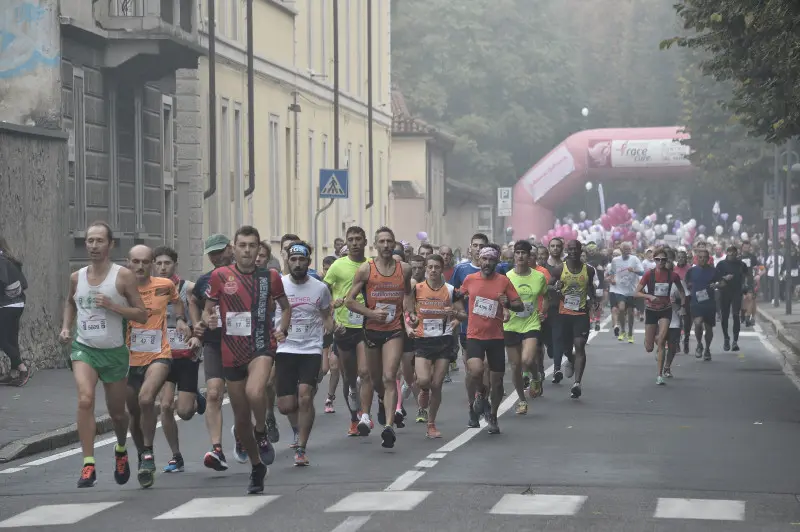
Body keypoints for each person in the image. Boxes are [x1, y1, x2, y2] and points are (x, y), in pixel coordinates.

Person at [59, 222, 148, 488]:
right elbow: (70, 301)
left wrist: (112, 306)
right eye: (90, 241)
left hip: (114, 352)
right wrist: (65, 327)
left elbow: (142, 314)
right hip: (84, 348)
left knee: (118, 413)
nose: (94, 246)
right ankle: (88, 464)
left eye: (99, 241)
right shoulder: (77, 277)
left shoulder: (123, 277)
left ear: (110, 245)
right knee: (85, 399)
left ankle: (121, 449)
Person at [204, 225, 287, 494]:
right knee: (240, 421)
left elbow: (286, 307)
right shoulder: (219, 276)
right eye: (243, 245)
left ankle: (261, 431)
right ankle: (256, 466)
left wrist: (282, 328)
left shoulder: (270, 277)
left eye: (252, 246)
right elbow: (207, 311)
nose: (248, 250)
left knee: (255, 391)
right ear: (234, 248)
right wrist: (209, 319)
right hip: (231, 349)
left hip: (261, 345)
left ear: (258, 249)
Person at [125, 245, 191, 488]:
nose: (140, 266)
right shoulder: (120, 288)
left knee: (146, 399)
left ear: (151, 263)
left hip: (159, 354)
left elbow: (177, 302)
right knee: (133, 412)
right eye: (135, 262)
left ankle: (149, 452)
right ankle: (142, 454)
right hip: (127, 359)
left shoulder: (165, 285)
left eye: (145, 261)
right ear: (128, 263)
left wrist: (181, 320)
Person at [345, 227, 413, 448]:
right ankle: (380, 402)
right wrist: (371, 313)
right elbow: (349, 300)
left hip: (394, 330)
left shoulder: (404, 269)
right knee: (375, 381)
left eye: (389, 241)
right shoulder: (366, 269)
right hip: (372, 329)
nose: (385, 245)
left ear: (394, 244)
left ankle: (389, 426)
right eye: (382, 241)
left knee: (389, 375)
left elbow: (407, 294)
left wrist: (410, 314)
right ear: (375, 244)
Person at [274, 242, 336, 466]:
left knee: (306, 395)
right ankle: (295, 427)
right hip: (285, 349)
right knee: (286, 406)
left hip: (310, 348)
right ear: (287, 262)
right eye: (293, 260)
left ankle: (301, 447)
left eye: (302, 260)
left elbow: (326, 315)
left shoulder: (319, 288)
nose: (298, 264)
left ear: (309, 262)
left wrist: (332, 327)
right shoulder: (278, 286)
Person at [459, 244, 524, 433]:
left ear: (496, 262)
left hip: (496, 337)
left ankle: (492, 415)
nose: (487, 263)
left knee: (497, 383)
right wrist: (457, 312)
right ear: (479, 260)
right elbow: (457, 295)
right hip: (474, 335)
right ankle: (479, 395)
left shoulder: (503, 281)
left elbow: (520, 305)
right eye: (484, 259)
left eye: (491, 260)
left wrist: (509, 304)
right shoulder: (470, 279)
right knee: (476, 370)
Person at [153, 246, 205, 474]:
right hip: (162, 356)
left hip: (186, 355)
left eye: (167, 263)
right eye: (159, 263)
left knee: (184, 412)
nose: (163, 267)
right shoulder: (149, 290)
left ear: (175, 264)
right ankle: (176, 456)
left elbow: (204, 317)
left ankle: (195, 397)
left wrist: (197, 337)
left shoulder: (188, 288)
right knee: (164, 406)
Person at [406, 254, 465, 438]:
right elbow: (407, 311)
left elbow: (463, 315)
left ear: (441, 269)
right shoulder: (417, 289)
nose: (433, 270)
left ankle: (431, 424)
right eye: (429, 267)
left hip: (443, 340)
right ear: (425, 269)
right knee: (424, 381)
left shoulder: (450, 290)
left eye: (436, 267)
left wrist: (454, 312)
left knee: (437, 384)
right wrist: (409, 324)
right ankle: (423, 390)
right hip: (422, 339)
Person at [190, 234, 234, 471]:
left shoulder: (248, 275)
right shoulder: (205, 280)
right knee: (215, 393)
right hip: (214, 343)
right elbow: (193, 300)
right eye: (212, 253)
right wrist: (198, 326)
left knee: (242, 396)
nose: (216, 257)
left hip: (242, 344)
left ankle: (248, 434)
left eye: (220, 251)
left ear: (230, 249)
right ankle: (217, 449)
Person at [550, 240, 599, 398]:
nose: (572, 252)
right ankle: (570, 359)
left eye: (575, 249)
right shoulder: (559, 269)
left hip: (581, 314)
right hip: (563, 314)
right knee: (566, 347)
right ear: (567, 251)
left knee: (580, 345)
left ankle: (577, 383)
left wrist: (594, 300)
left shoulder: (589, 270)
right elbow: (548, 286)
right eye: (570, 249)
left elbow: (590, 287)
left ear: (580, 250)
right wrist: (555, 287)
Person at [504, 240, 547, 414]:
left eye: (524, 253)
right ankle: (522, 400)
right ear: (514, 255)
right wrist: (505, 310)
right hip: (511, 324)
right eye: (518, 252)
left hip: (531, 322)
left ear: (530, 257)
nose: (520, 256)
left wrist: (543, 310)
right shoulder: (507, 277)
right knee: (515, 366)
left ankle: (536, 377)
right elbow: (501, 299)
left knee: (527, 360)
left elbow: (545, 296)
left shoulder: (539, 277)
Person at [636, 247, 686, 385]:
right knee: (649, 347)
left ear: (667, 260)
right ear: (654, 260)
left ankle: (659, 375)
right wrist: (649, 296)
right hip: (651, 310)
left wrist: (682, 306)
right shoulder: (648, 274)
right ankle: (651, 341)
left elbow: (682, 291)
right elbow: (637, 292)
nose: (661, 262)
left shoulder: (672, 275)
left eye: (663, 260)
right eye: (658, 259)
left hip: (666, 309)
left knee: (663, 341)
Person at [0, 237, 29, 386]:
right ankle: (12, 373)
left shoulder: (1, 261)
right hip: (18, 304)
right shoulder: (10, 260)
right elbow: (24, 284)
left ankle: (22, 368)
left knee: (3, 339)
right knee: (11, 338)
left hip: (5, 306)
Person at [715, 245, 747, 351]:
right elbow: (715, 277)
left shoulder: (741, 264)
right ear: (727, 253)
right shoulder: (721, 264)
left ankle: (735, 341)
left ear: (736, 253)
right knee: (724, 316)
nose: (732, 254)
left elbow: (746, 276)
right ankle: (726, 338)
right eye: (730, 252)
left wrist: (746, 287)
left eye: (734, 252)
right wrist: (724, 278)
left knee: (735, 315)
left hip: (737, 292)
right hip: (724, 292)